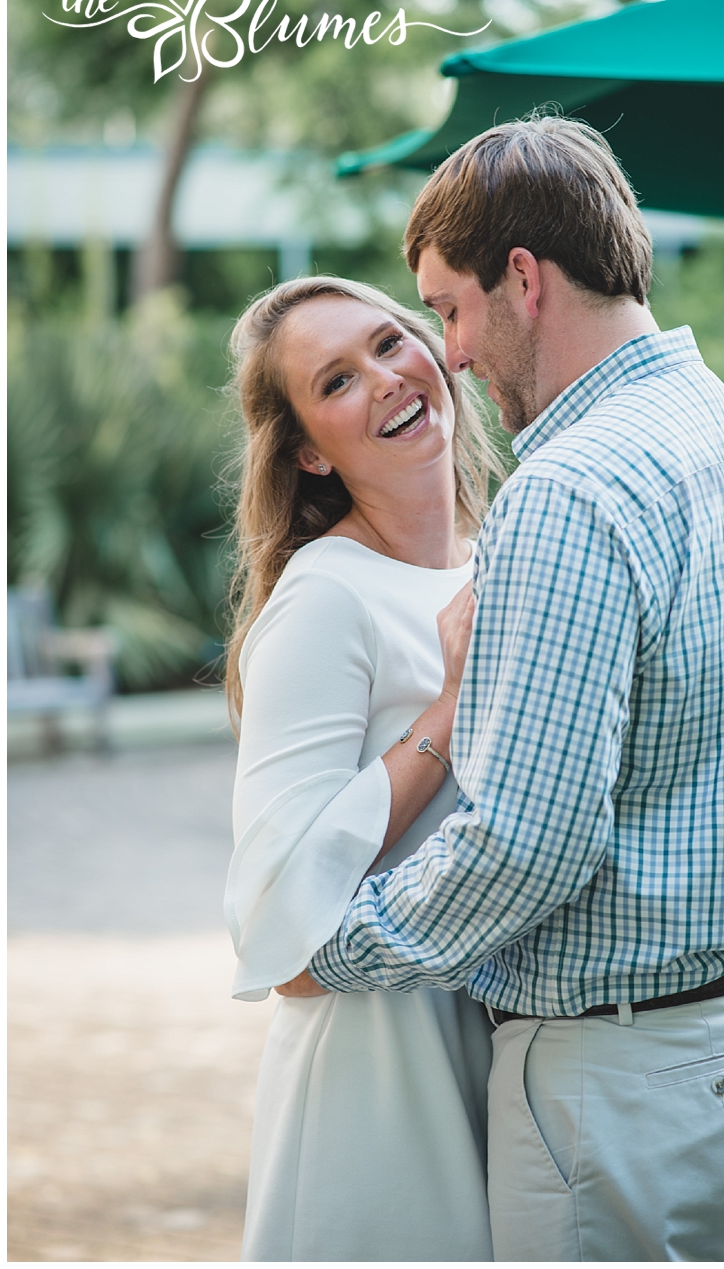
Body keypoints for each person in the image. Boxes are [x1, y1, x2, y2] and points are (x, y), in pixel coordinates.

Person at [274, 116, 724, 1262]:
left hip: (626, 1083)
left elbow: (529, 840)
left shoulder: (569, 490)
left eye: (446, 309)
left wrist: (333, 948)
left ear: (522, 279)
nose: (452, 353)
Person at [222, 274, 504, 1260]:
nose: (385, 379)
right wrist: (451, 708)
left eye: (389, 344)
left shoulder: (502, 551)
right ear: (308, 452)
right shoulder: (324, 601)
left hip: (508, 1054)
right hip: (377, 1084)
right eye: (337, 381)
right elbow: (273, 923)